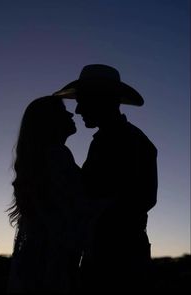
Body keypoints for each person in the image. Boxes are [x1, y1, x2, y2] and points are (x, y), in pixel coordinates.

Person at [53, 64, 158, 292]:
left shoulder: (133, 142)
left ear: (101, 99)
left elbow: (141, 199)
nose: (78, 110)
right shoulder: (106, 141)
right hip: (108, 256)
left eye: (82, 101)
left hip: (119, 262)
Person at [6, 96, 84, 293]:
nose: (71, 113)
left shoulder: (42, 158)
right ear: (49, 121)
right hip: (50, 263)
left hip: (37, 260)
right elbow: (74, 212)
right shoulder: (57, 155)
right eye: (62, 110)